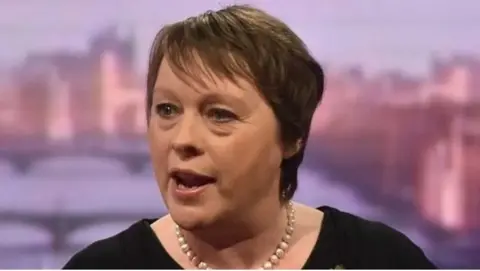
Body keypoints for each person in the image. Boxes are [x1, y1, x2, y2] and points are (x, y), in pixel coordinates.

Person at [63, 4, 436, 269]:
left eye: (219, 114)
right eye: (167, 110)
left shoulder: (379, 259)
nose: (182, 139)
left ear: (291, 137)